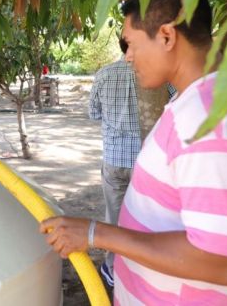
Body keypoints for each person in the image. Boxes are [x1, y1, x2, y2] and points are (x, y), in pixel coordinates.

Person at [40, 0, 227, 304]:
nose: (128, 56)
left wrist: (96, 233)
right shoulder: (195, 102)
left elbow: (223, 262)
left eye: (131, 43)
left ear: (165, 36)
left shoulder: (205, 120)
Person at [88, 56, 141, 287]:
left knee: (114, 215)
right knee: (143, 216)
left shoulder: (103, 74)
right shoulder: (155, 71)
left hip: (113, 157)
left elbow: (94, 112)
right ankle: (140, 266)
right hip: (143, 157)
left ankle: (112, 268)